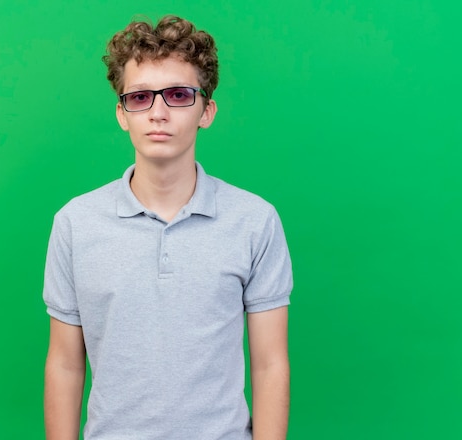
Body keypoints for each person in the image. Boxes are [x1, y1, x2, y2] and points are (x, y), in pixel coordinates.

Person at [43, 15, 293, 440]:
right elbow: (65, 364)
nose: (158, 112)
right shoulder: (75, 223)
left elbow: (270, 364)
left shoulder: (254, 220)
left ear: (206, 111)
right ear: (122, 114)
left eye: (178, 95)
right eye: (140, 97)